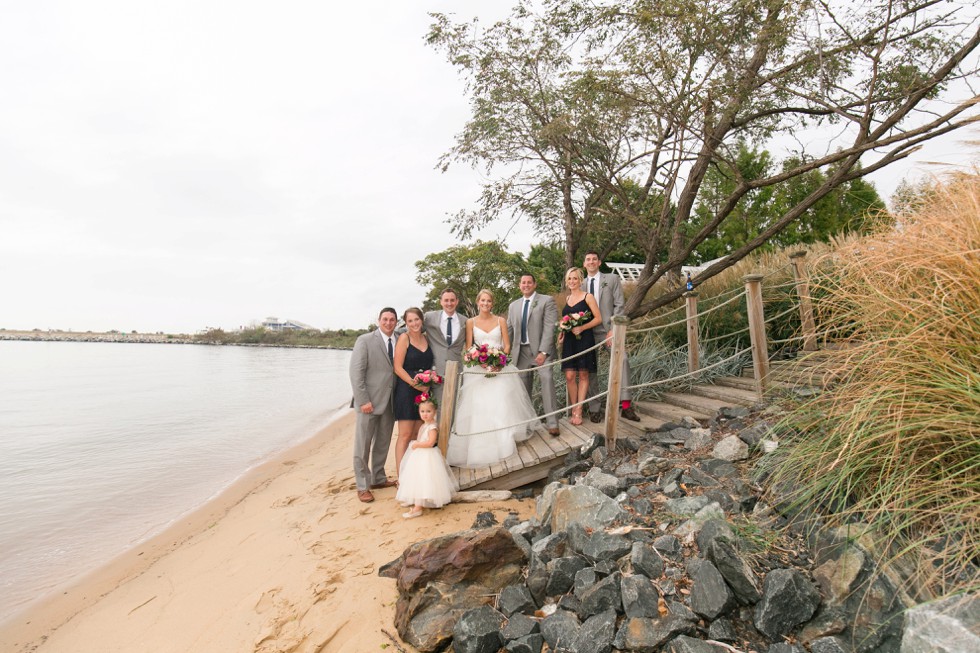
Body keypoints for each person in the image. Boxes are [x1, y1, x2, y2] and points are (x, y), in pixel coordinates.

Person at [446, 289, 538, 468]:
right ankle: (479, 446)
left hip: (499, 369)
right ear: (478, 302)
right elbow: (469, 347)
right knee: (479, 406)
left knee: (501, 404)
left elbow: (507, 344)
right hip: (478, 370)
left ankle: (504, 444)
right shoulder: (471, 323)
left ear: (492, 303)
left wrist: (499, 362)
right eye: (483, 301)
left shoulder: (500, 321)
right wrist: (479, 361)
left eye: (489, 301)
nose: (486, 304)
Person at [583, 250, 640, 422]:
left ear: (599, 262)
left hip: (608, 329)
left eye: (594, 259)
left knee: (622, 360)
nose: (591, 262)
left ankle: (626, 406)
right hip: (588, 333)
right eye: (588, 259)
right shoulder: (581, 284)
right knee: (590, 368)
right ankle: (594, 408)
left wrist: (613, 329)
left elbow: (619, 305)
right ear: (584, 264)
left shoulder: (612, 279)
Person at [348, 307, 398, 503]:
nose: (388, 323)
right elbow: (355, 373)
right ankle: (362, 485)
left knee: (383, 443)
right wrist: (363, 401)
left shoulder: (399, 338)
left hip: (390, 402)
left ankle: (378, 478)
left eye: (392, 320)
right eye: (385, 319)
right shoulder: (365, 340)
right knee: (363, 446)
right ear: (379, 320)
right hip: (368, 402)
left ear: (396, 321)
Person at [507, 273, 560, 436]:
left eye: (529, 282)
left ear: (535, 284)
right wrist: (503, 353)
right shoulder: (513, 306)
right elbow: (509, 329)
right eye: (523, 282)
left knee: (547, 382)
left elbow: (550, 327)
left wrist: (543, 351)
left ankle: (553, 423)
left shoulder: (546, 301)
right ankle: (527, 425)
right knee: (523, 390)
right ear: (519, 285)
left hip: (541, 352)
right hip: (520, 353)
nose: (526, 285)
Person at [396, 398, 458, 518]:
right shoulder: (424, 425)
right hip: (420, 455)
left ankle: (417, 508)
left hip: (428, 455)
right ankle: (414, 499)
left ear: (434, 412)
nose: (425, 414)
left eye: (428, 411)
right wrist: (417, 444)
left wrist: (417, 444)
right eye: (422, 411)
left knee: (423, 479)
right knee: (415, 478)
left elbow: (430, 443)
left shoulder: (432, 427)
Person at [392, 307, 435, 474]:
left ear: (421, 320)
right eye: (410, 321)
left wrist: (430, 381)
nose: (414, 324)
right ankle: (400, 475)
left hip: (424, 393)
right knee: (404, 435)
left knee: (418, 433)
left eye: (416, 320)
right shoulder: (404, 338)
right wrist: (414, 383)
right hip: (406, 390)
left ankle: (413, 473)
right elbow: (397, 367)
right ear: (406, 323)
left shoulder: (427, 339)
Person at [559, 268, 602, 426]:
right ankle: (574, 407)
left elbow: (598, 318)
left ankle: (578, 410)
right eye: (569, 278)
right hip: (570, 340)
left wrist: (582, 328)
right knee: (570, 376)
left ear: (580, 280)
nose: (572, 281)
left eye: (575, 278)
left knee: (583, 375)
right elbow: (565, 320)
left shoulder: (588, 297)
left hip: (584, 339)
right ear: (567, 281)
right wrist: (562, 331)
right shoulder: (567, 298)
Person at [423, 288, 467, 402]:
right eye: (446, 300)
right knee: (436, 407)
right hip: (435, 371)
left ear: (457, 301)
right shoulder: (429, 317)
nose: (449, 303)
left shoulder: (465, 321)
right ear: (441, 302)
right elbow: (413, 328)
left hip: (457, 371)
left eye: (452, 300)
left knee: (455, 407)